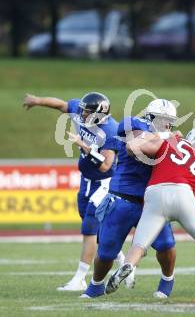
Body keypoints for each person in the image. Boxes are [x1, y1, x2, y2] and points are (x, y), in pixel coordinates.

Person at [105, 124, 195, 298]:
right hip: (183, 194)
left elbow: (136, 148)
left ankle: (128, 264)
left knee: (139, 244)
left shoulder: (171, 141)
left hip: (154, 192)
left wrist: (159, 136)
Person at [23, 92, 122, 291]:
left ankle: (80, 279)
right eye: (83, 110)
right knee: (91, 225)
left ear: (98, 115)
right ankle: (121, 258)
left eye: (87, 112)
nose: (82, 114)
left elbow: (106, 166)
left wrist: (83, 146)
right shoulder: (81, 110)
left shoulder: (110, 130)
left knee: (89, 228)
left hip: (104, 183)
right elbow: (61, 104)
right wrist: (38, 101)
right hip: (86, 181)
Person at [81, 99, 178, 298]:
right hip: (122, 197)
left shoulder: (167, 137)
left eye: (170, 121)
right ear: (151, 117)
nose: (168, 125)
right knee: (106, 252)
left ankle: (167, 281)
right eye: (164, 120)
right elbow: (137, 145)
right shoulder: (131, 123)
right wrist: (168, 137)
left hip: (152, 201)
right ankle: (96, 285)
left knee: (166, 245)